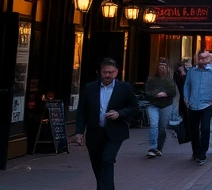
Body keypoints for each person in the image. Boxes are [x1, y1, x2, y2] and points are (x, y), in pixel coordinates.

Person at [73, 58, 138, 190]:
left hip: (115, 132)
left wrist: (119, 114)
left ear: (116, 72)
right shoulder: (90, 88)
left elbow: (134, 108)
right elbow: (82, 111)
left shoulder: (124, 88)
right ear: (100, 72)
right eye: (105, 72)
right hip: (94, 132)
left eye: (111, 72)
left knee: (107, 160)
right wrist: (79, 131)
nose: (108, 75)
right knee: (97, 164)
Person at [183, 51, 212, 165]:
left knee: (205, 128)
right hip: (193, 104)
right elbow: (187, 85)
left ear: (209, 59)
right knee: (194, 129)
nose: (202, 61)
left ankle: (202, 153)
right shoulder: (192, 71)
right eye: (200, 59)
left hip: (207, 104)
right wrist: (186, 98)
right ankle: (196, 151)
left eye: (205, 59)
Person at [143, 59, 176, 157]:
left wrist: (165, 94)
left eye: (163, 67)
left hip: (166, 105)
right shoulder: (152, 79)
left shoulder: (170, 79)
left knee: (162, 128)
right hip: (153, 104)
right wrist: (156, 94)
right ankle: (153, 147)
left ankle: (159, 148)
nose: (161, 69)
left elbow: (173, 92)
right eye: (159, 67)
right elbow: (147, 91)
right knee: (153, 125)